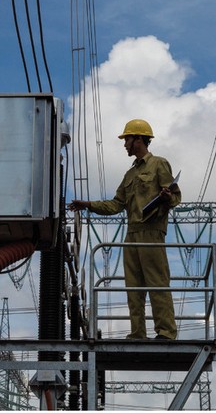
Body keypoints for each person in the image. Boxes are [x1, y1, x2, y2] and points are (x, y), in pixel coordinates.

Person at [68, 119, 181, 340]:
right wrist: (88, 205)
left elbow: (175, 196)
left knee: (157, 282)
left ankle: (166, 332)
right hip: (132, 234)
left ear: (139, 139)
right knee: (134, 286)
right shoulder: (129, 175)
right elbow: (115, 204)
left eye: (127, 139)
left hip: (152, 231)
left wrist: (167, 197)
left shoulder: (159, 164)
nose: (125, 144)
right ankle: (138, 332)